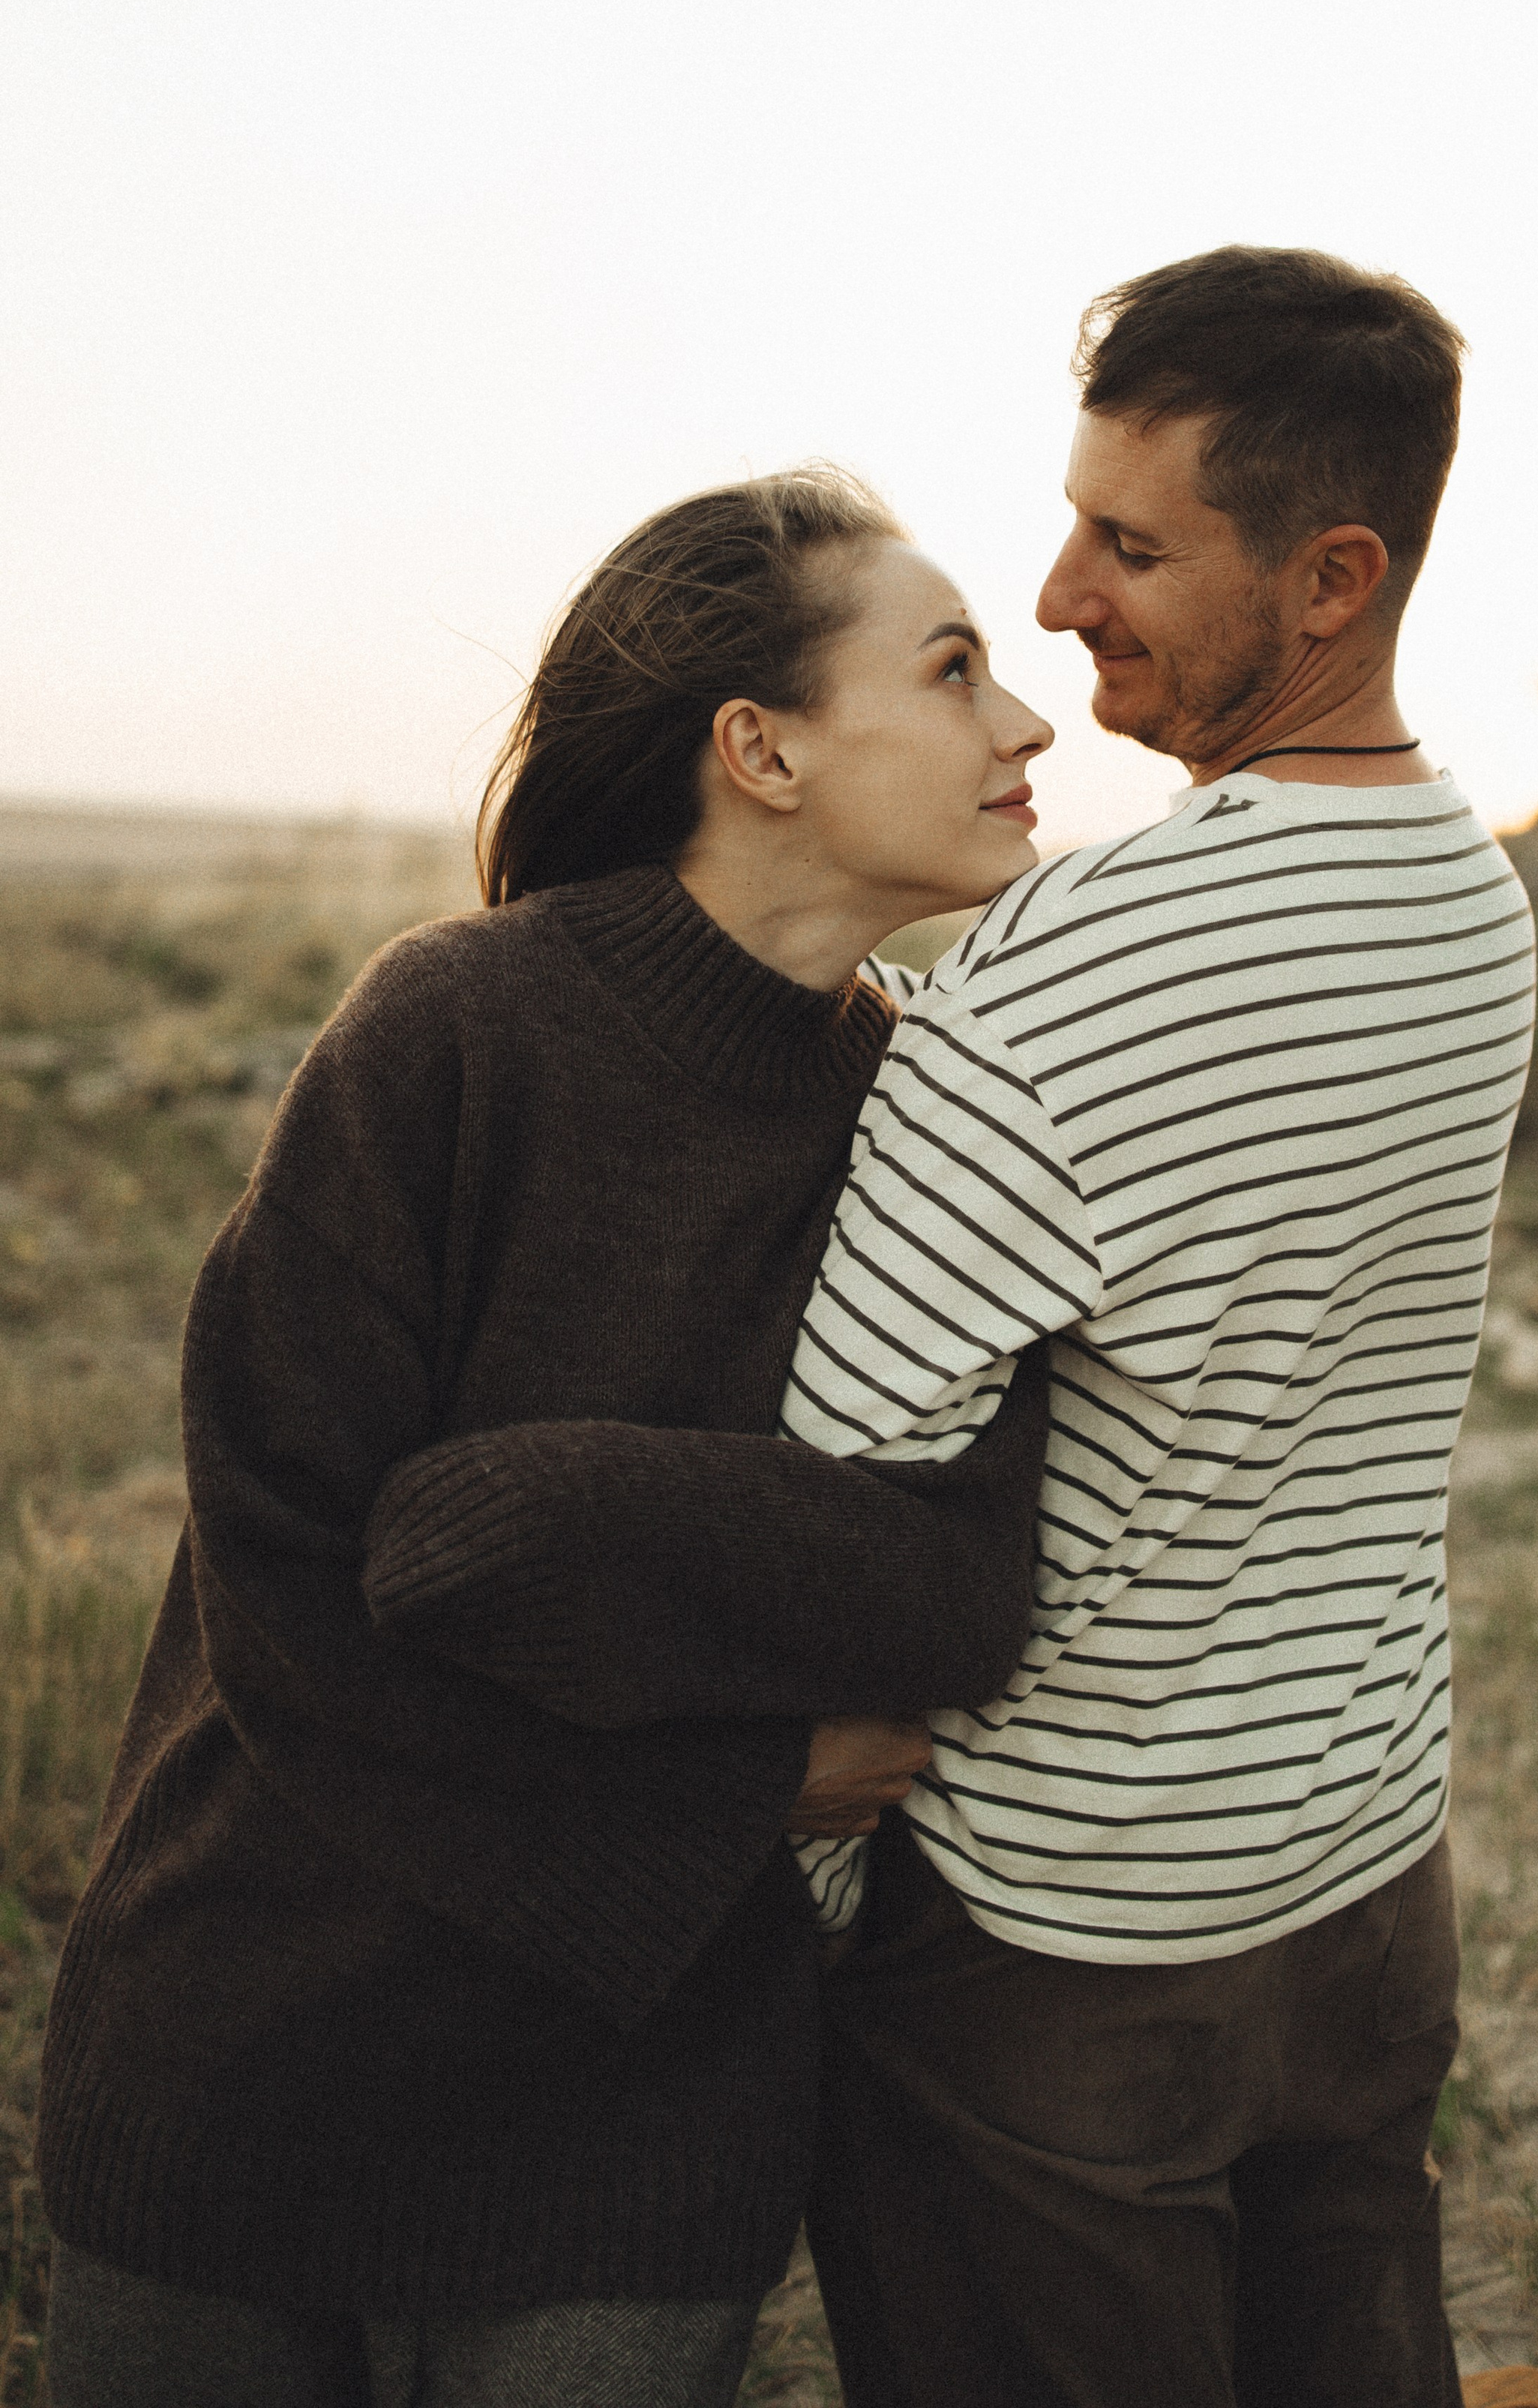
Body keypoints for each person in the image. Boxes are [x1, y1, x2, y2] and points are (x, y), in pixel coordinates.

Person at [35, 468, 1056, 2408]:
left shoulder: (936, 1126)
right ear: (760, 749)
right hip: (254, 2039)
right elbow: (289, 1582)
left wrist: (540, 1508)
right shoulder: (452, 1033)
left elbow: (956, 1581)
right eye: (952, 669)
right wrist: (731, 1777)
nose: (1028, 723)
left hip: (637, 2117)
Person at [781, 249, 1537, 2408]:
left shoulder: (1069, 971)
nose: (1053, 595)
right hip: (1368, 1875)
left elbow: (837, 1470)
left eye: (1130, 543)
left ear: (1329, 578)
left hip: (1073, 1949)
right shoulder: (1471, 903)